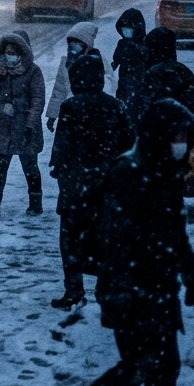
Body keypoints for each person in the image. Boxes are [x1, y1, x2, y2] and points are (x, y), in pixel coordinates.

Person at [78, 99, 194, 386]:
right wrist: (121, 292)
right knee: (143, 363)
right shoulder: (129, 173)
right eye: (177, 136)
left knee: (165, 366)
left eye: (185, 137)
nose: (182, 143)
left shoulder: (167, 174)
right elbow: (115, 239)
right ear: (158, 136)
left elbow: (176, 233)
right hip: (133, 290)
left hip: (159, 289)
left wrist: (191, 276)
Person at [48, 53, 133, 310]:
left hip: (76, 186)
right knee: (106, 240)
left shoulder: (71, 107)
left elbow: (62, 146)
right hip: (107, 186)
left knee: (71, 241)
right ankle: (105, 289)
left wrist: (60, 171)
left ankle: (74, 290)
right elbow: (129, 144)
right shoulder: (116, 106)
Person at [0, 31, 47, 217]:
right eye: (7, 51)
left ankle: (35, 203)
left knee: (30, 167)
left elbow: (38, 98)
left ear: (22, 52)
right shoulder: (0, 69)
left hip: (25, 127)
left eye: (13, 51)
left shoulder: (34, 71)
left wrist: (30, 124)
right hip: (3, 126)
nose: (9, 55)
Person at [46, 22, 115, 132]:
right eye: (71, 43)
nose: (74, 47)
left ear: (87, 46)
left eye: (78, 44)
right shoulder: (66, 63)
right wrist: (52, 115)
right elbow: (59, 91)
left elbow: (109, 84)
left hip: (93, 111)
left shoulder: (98, 61)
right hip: (70, 111)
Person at [136, 27, 194, 120]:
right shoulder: (184, 71)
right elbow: (192, 106)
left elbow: (147, 109)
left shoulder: (153, 73)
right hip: (183, 128)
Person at [111, 8, 148, 125]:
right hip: (124, 82)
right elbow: (116, 59)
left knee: (135, 109)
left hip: (139, 83)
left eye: (129, 28)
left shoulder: (143, 44)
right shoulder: (121, 44)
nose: (126, 31)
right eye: (123, 28)